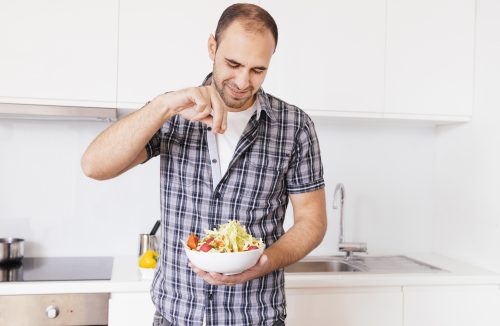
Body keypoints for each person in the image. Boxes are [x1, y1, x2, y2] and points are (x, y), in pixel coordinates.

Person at [81, 3, 327, 326]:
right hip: (176, 317)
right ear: (212, 46)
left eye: (257, 70)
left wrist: (264, 262)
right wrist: (162, 106)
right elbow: (94, 165)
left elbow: (312, 222)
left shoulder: (294, 126)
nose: (242, 81)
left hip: (255, 318)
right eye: (233, 63)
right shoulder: (173, 113)